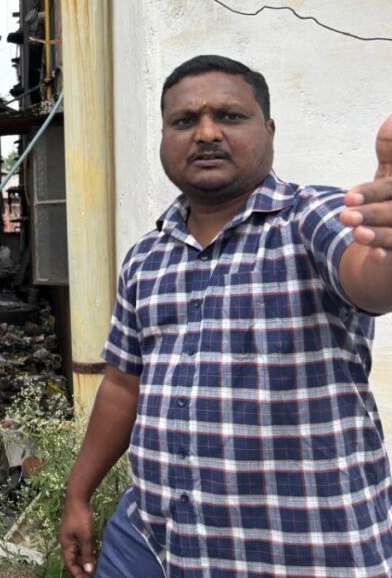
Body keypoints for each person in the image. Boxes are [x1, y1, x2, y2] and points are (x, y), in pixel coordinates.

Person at [59, 54, 392, 578]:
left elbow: (370, 278)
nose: (206, 133)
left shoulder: (310, 220)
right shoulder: (147, 257)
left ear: (270, 129)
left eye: (230, 117)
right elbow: (124, 386)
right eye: (184, 121)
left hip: (298, 548)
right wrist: (78, 494)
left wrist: (385, 249)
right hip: (151, 539)